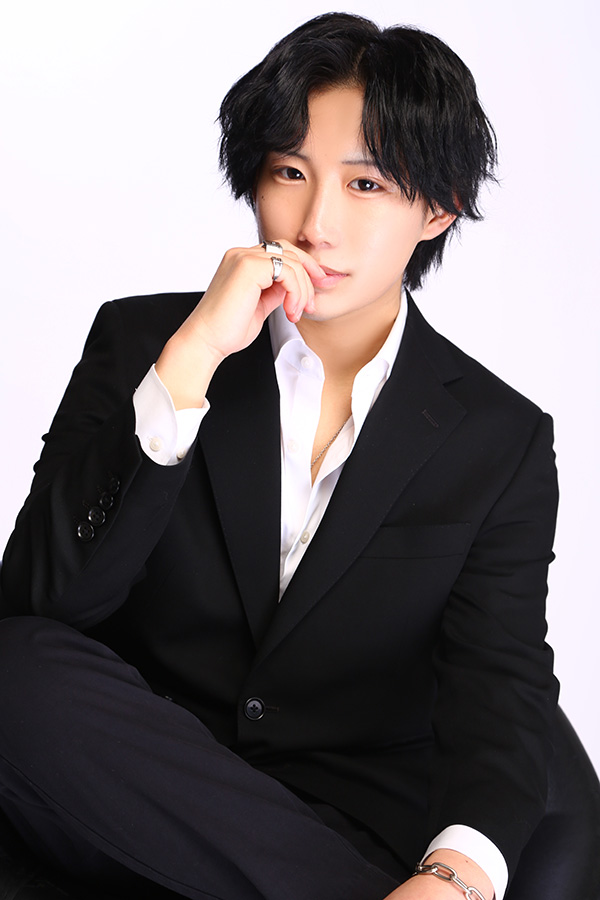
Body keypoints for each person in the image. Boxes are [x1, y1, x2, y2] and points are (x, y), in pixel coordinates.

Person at [0, 12, 559, 900]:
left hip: (340, 818)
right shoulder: (146, 341)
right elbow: (42, 604)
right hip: (128, 789)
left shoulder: (501, 437)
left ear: (439, 207)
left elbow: (501, 689)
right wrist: (192, 360)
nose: (314, 225)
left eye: (367, 184)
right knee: (13, 671)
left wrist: (456, 878)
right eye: (289, 173)